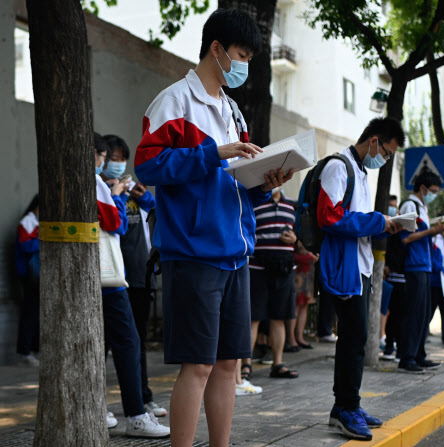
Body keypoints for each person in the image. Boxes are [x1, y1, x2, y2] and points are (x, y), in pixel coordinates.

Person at [133, 9, 293, 447]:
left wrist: (267, 183)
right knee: (198, 365)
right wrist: (215, 153)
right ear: (216, 49)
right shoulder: (174, 101)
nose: (244, 66)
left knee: (228, 365)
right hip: (193, 253)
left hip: (236, 252)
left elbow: (237, 183)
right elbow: (147, 165)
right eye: (241, 55)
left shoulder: (233, 109)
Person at [318, 117, 403, 440]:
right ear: (374, 142)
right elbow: (329, 216)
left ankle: (349, 404)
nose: (386, 159)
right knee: (353, 338)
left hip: (361, 266)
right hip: (345, 267)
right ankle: (344, 409)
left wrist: (381, 223)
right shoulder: (339, 167)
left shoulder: (361, 171)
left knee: (357, 338)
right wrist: (378, 222)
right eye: (387, 152)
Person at [95, 134, 170, 437]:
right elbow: (116, 223)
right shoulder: (101, 186)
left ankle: (133, 403)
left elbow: (153, 218)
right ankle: (137, 414)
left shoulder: (117, 190)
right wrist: (116, 195)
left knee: (123, 342)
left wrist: (139, 197)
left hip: (130, 276)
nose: (114, 163)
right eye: (109, 156)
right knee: (125, 342)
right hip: (111, 276)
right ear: (99, 155)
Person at [396, 171, 444, 373]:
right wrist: (432, 231)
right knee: (414, 313)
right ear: (423, 188)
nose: (434, 194)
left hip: (424, 265)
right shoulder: (410, 206)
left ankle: (419, 354)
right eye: (432, 191)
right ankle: (407, 357)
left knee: (423, 314)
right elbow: (406, 238)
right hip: (414, 265)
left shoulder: (422, 207)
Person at [248, 188, 299, 378]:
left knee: (279, 317)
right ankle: (246, 365)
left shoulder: (291, 206)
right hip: (257, 268)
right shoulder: (254, 202)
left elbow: (300, 236)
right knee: (253, 318)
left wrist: (295, 239)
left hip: (284, 269)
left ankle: (278, 363)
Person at [15, 194, 40, 367]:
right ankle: (25, 351)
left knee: (37, 314)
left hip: (37, 276)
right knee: (30, 314)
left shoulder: (36, 222)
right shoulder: (28, 222)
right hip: (30, 276)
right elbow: (25, 246)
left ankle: (34, 349)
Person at [293, 241, 318, 349]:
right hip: (298, 272)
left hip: (309, 272)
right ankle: (292, 338)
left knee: (304, 305)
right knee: (296, 306)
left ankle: (299, 337)